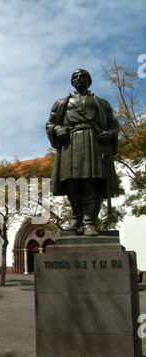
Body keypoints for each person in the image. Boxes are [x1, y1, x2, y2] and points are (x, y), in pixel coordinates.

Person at [46, 69, 119, 236]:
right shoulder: (61, 103)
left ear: (89, 81)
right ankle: (76, 218)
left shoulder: (101, 103)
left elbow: (114, 124)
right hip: (70, 145)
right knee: (73, 184)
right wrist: (58, 129)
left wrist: (110, 134)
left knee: (90, 184)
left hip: (93, 143)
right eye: (75, 77)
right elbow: (50, 124)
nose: (78, 79)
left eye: (82, 77)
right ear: (72, 82)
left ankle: (89, 223)